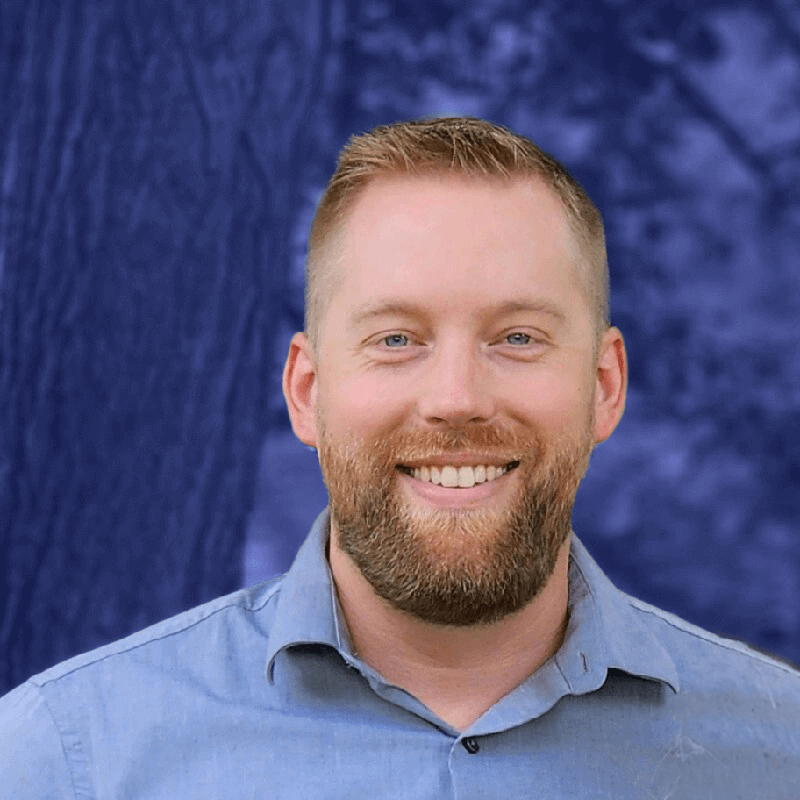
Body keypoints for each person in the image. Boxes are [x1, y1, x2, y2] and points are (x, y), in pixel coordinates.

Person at [1, 117, 798, 797]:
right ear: (307, 390)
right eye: (396, 340)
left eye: (517, 337)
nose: (456, 397)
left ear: (604, 385)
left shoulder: (778, 751)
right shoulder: (70, 762)